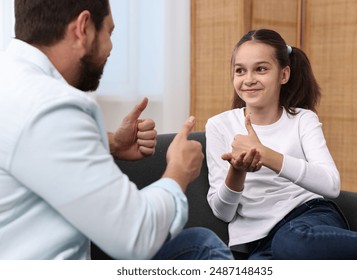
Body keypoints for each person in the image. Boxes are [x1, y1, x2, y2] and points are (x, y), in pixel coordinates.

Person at [0, 0, 233, 260]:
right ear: (83, 28)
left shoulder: (11, 82)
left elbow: (32, 146)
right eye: (109, 33)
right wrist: (179, 170)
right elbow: (138, 237)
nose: (110, 48)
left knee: (200, 243)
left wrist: (111, 144)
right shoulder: (51, 105)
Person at [205, 29, 357, 260]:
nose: (249, 79)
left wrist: (267, 155)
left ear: (284, 75)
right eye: (240, 70)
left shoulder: (303, 119)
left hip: (309, 218)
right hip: (257, 243)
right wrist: (237, 171)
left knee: (292, 241)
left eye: (261, 69)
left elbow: (331, 185)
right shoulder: (218, 126)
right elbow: (223, 212)